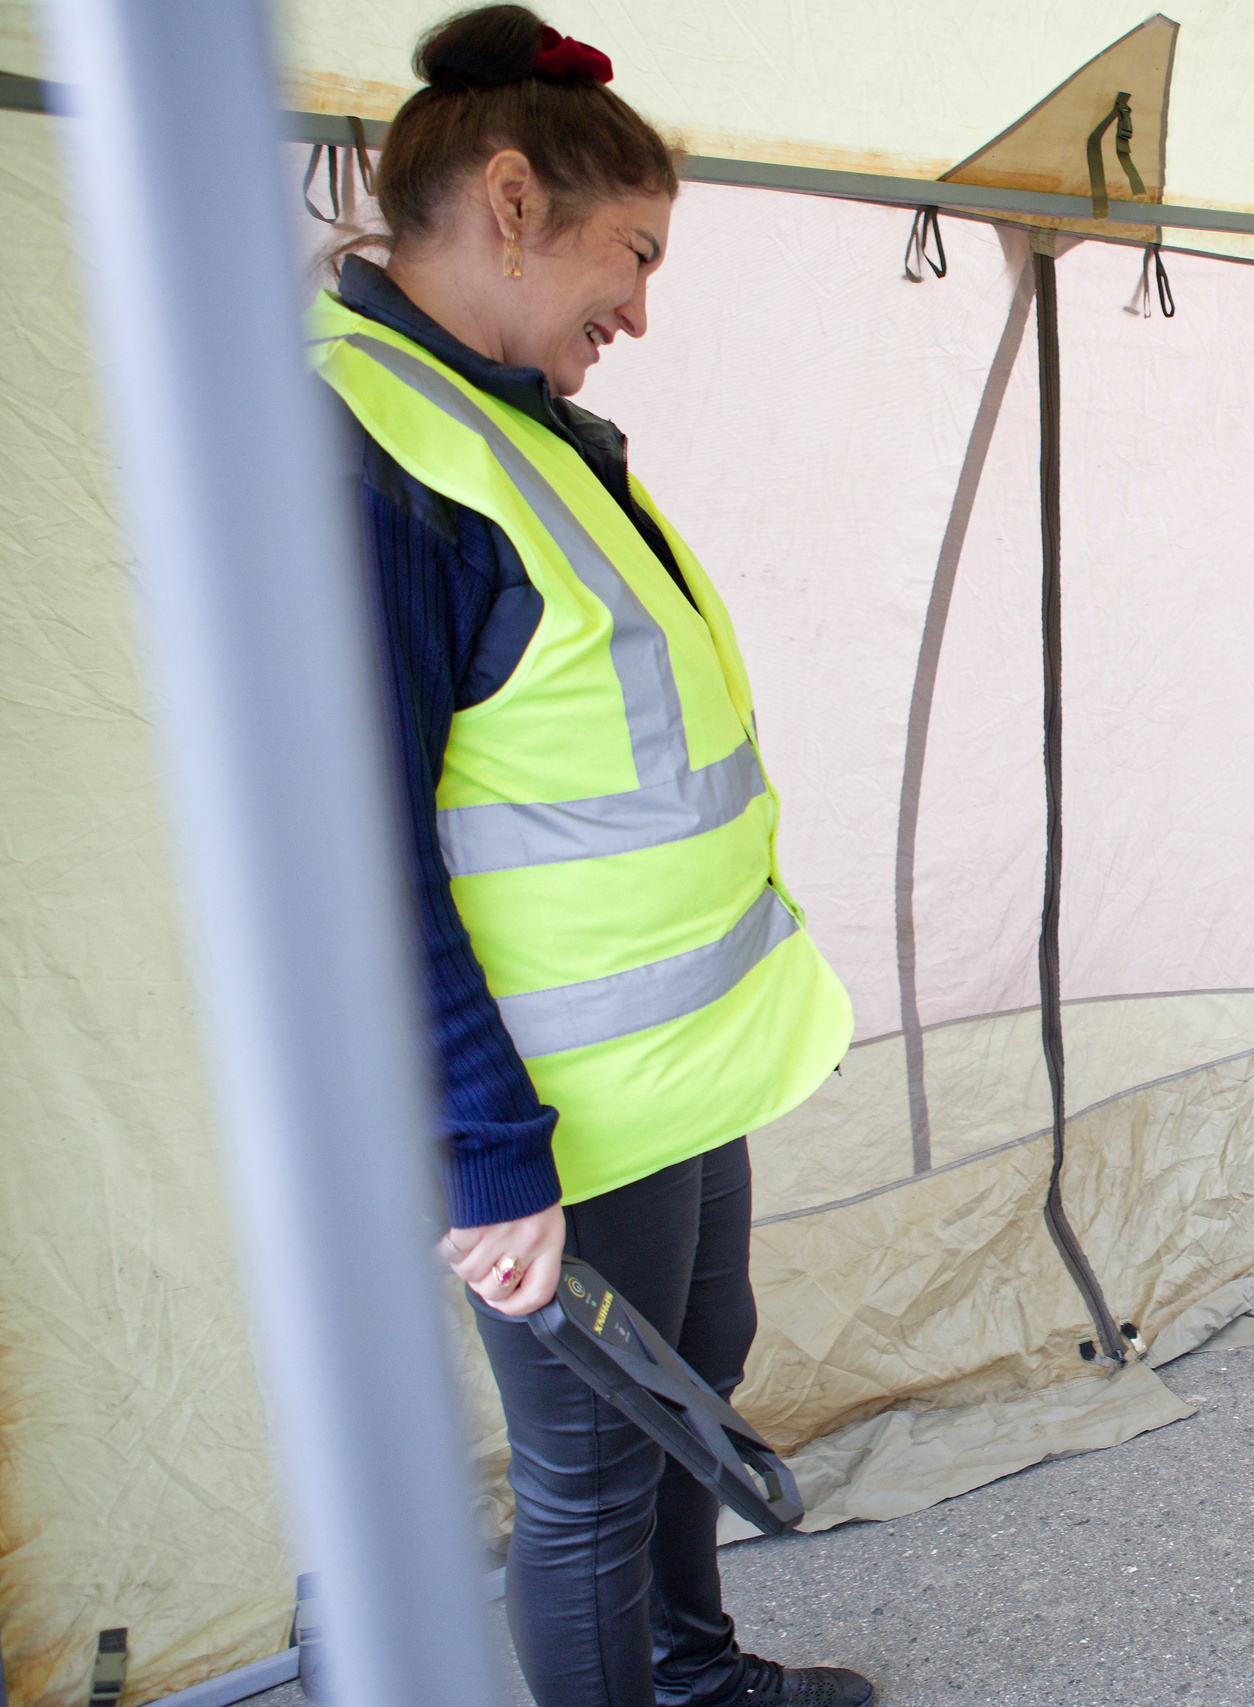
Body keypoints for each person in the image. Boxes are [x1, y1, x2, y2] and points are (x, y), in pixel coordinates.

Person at [311, 9, 867, 1704]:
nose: (639, 305)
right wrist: (485, 1154)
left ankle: (694, 1676)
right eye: (630, 253)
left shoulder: (508, 424)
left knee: (699, 1372)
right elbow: (362, 864)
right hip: (551, 1098)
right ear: (506, 199)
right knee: (587, 1478)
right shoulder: (376, 455)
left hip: (671, 1067)